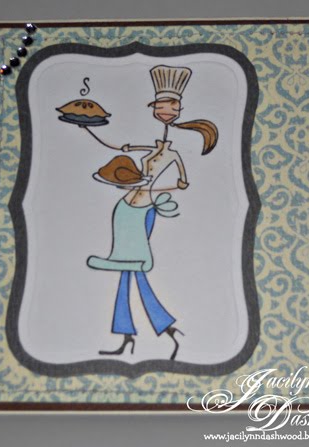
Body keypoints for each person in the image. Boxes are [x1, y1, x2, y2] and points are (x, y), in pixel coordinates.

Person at [81, 65, 218, 360]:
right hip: (125, 207)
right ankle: (147, 333)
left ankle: (142, 333)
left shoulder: (174, 154)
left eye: (171, 107)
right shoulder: (151, 147)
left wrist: (151, 189)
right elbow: (116, 146)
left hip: (143, 210)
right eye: (160, 106)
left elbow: (182, 184)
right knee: (128, 272)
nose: (165, 111)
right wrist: (88, 128)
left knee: (134, 268)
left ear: (178, 110)